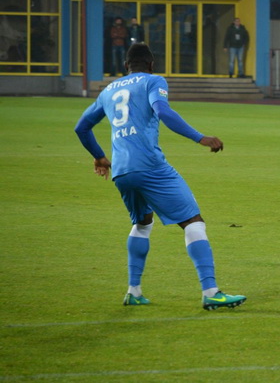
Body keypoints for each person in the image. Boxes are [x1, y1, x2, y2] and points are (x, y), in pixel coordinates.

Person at [74, 43, 246, 310]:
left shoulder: (108, 90)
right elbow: (163, 111)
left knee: (143, 223)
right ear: (151, 64)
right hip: (149, 167)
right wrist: (199, 137)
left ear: (126, 66)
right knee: (193, 221)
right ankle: (211, 291)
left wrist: (99, 156)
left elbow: (82, 127)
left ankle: (134, 291)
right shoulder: (153, 81)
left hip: (121, 171)